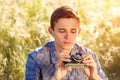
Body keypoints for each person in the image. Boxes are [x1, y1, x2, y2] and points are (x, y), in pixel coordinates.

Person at [25, 6, 108, 80]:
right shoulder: (35, 57)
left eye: (73, 31)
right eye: (62, 31)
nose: (68, 36)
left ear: (78, 32)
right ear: (51, 31)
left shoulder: (88, 56)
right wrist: (55, 78)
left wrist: (95, 77)